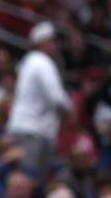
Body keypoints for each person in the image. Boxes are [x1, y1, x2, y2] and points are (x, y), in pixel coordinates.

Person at [6, 21, 73, 179]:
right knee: (27, 179)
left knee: (24, 179)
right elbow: (57, 98)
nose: (56, 45)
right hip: (32, 130)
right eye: (52, 41)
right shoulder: (41, 61)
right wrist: (71, 109)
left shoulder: (29, 61)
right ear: (40, 42)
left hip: (26, 128)